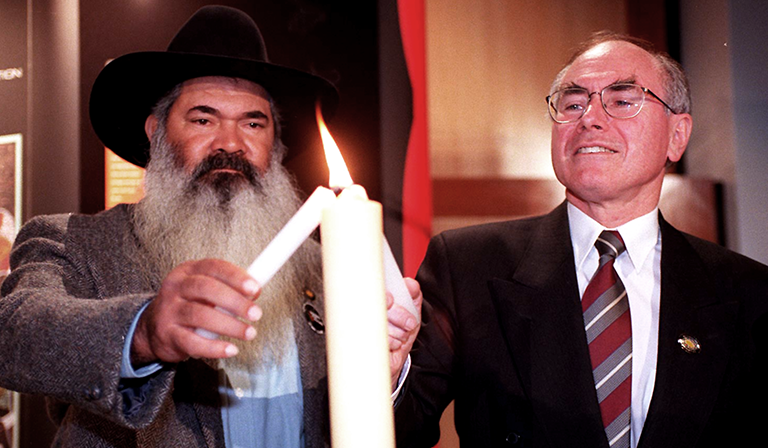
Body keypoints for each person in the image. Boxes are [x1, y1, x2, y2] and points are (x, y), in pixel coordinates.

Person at [0, 6, 420, 448]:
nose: (230, 143)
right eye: (203, 119)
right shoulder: (76, 243)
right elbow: (12, 333)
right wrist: (143, 332)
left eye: (253, 123)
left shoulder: (322, 267)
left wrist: (382, 376)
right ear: (156, 131)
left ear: (275, 144)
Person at [394, 32, 768, 448]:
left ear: (677, 136)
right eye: (573, 104)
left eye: (623, 101)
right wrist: (385, 376)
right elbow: (398, 428)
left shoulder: (749, 292)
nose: (589, 117)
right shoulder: (467, 265)